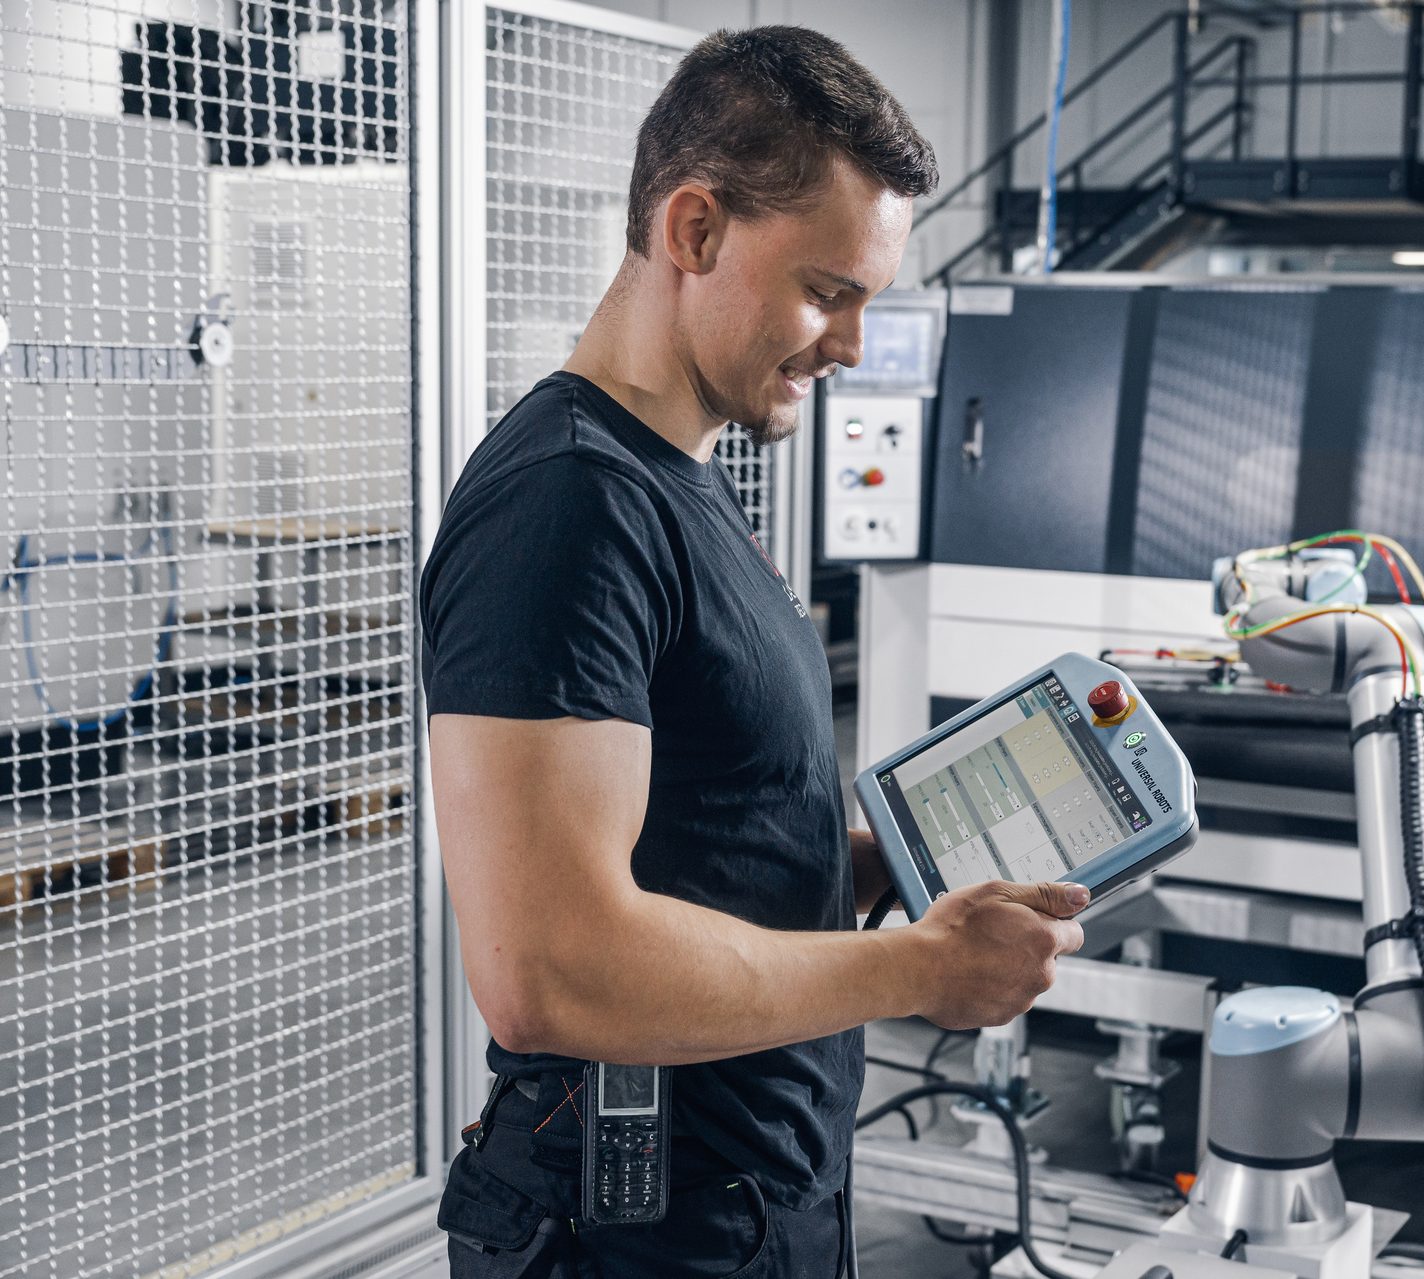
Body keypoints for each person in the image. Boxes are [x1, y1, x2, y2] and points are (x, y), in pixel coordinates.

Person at [421, 25, 1088, 1278]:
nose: (846, 346)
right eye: (828, 292)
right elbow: (550, 970)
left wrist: (845, 865)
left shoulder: (681, 479)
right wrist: (919, 970)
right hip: (636, 1235)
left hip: (745, 1203)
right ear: (694, 231)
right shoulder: (568, 505)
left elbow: (680, 826)